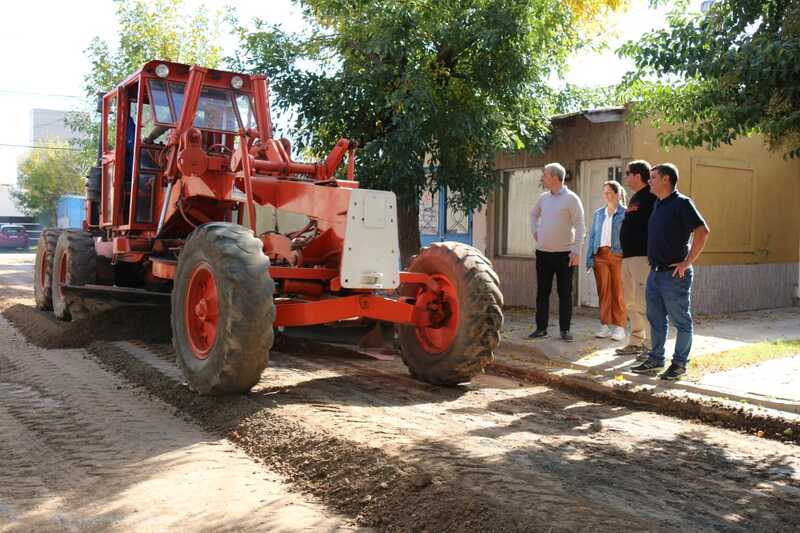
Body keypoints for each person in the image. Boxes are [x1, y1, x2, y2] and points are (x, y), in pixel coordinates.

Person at [631, 163, 710, 381]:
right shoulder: (658, 203)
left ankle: (679, 364)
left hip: (675, 275)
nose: (650, 181)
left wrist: (686, 262)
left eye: (653, 177)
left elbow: (703, 231)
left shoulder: (682, 203)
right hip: (655, 273)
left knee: (681, 321)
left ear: (666, 179)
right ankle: (656, 359)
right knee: (655, 319)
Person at [528, 163, 586, 342]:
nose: (543, 178)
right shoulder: (543, 198)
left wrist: (576, 251)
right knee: (542, 293)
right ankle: (541, 328)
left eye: (545, 175)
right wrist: (535, 231)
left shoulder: (571, 198)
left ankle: (565, 330)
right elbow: (533, 215)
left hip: (565, 255)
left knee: (565, 293)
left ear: (554, 177)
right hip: (543, 254)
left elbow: (580, 225)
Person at [616, 160, 656, 359]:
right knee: (630, 302)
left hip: (643, 257)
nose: (625, 178)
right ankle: (635, 342)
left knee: (643, 302)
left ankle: (650, 345)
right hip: (629, 257)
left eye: (628, 173)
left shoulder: (651, 196)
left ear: (638, 175)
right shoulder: (635, 198)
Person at [585, 181, 627, 341]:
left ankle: (620, 327)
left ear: (617, 194)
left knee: (618, 291)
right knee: (603, 292)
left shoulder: (625, 213)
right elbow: (593, 236)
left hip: (618, 255)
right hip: (600, 255)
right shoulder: (598, 214)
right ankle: (604, 326)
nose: (606, 195)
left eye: (609, 192)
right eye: (604, 193)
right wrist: (590, 258)